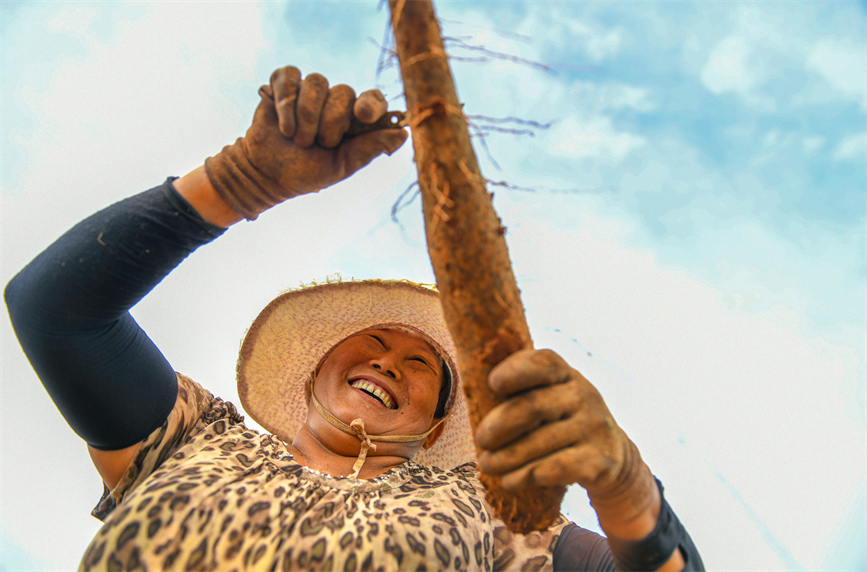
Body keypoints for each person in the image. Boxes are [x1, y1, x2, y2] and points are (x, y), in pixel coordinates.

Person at [5, 65, 703, 571]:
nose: (386, 361)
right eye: (370, 343)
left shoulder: (497, 523)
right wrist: (235, 181)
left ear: (436, 424)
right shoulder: (191, 439)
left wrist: (626, 486)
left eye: (419, 366)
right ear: (311, 375)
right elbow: (53, 310)